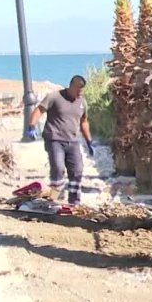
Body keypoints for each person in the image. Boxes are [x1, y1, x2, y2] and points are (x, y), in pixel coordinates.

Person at [27, 75, 94, 205]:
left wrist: (89, 141)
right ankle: (54, 197)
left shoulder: (82, 102)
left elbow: (84, 122)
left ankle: (74, 200)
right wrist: (31, 126)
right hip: (55, 139)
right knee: (58, 168)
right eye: (78, 90)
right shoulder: (54, 97)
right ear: (71, 86)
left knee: (77, 170)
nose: (80, 93)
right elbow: (38, 111)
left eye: (82, 90)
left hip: (73, 141)